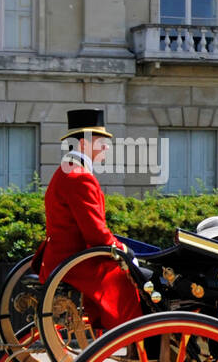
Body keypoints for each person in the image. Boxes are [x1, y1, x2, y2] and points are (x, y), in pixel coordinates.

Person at [36, 108, 142, 331]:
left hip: (65, 256)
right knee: (131, 281)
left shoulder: (69, 170)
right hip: (74, 261)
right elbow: (95, 233)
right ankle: (133, 335)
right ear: (83, 144)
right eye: (100, 141)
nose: (105, 147)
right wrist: (123, 249)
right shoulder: (80, 176)